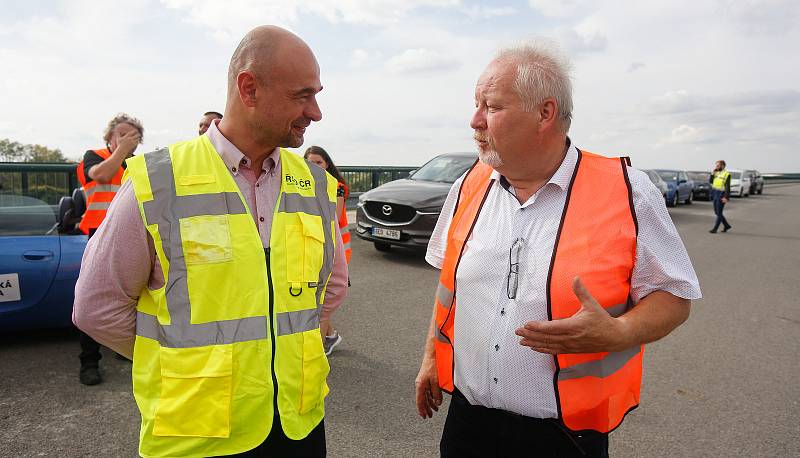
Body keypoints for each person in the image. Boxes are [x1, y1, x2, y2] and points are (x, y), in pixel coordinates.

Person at [414, 43, 701, 457]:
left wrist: (618, 331)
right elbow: (449, 290)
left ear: (545, 114)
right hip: (468, 422)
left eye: (491, 107)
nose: (475, 120)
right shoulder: (468, 185)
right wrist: (429, 360)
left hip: (563, 435)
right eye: (476, 105)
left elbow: (675, 297)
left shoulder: (627, 191)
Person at [73, 25, 348, 457]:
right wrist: (181, 363)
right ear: (249, 88)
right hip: (197, 436)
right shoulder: (158, 180)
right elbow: (98, 307)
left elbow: (331, 287)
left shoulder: (314, 184)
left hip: (299, 425)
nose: (316, 112)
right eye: (302, 95)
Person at [74, 113, 144, 386]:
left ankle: (121, 348)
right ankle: (89, 361)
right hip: (97, 236)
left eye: (133, 135)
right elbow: (101, 175)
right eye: (121, 134)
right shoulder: (94, 155)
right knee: (97, 299)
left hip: (131, 236)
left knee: (134, 296)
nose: (127, 139)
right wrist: (123, 150)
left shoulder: (138, 164)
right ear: (109, 137)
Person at [304, 145, 350, 355]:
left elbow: (332, 217)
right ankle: (331, 336)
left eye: (318, 162)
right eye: (309, 162)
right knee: (319, 299)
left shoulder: (335, 186)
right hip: (317, 246)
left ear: (327, 165)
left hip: (334, 249)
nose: (313, 166)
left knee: (324, 300)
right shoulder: (303, 184)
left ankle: (319, 351)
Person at [709, 160, 732, 233]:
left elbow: (727, 186)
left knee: (719, 212)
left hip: (722, 194)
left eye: (718, 166)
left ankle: (715, 229)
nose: (716, 167)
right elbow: (711, 181)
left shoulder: (726, 174)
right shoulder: (716, 173)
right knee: (716, 212)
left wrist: (726, 197)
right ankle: (726, 225)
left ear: (722, 166)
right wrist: (712, 174)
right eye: (716, 165)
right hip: (715, 193)